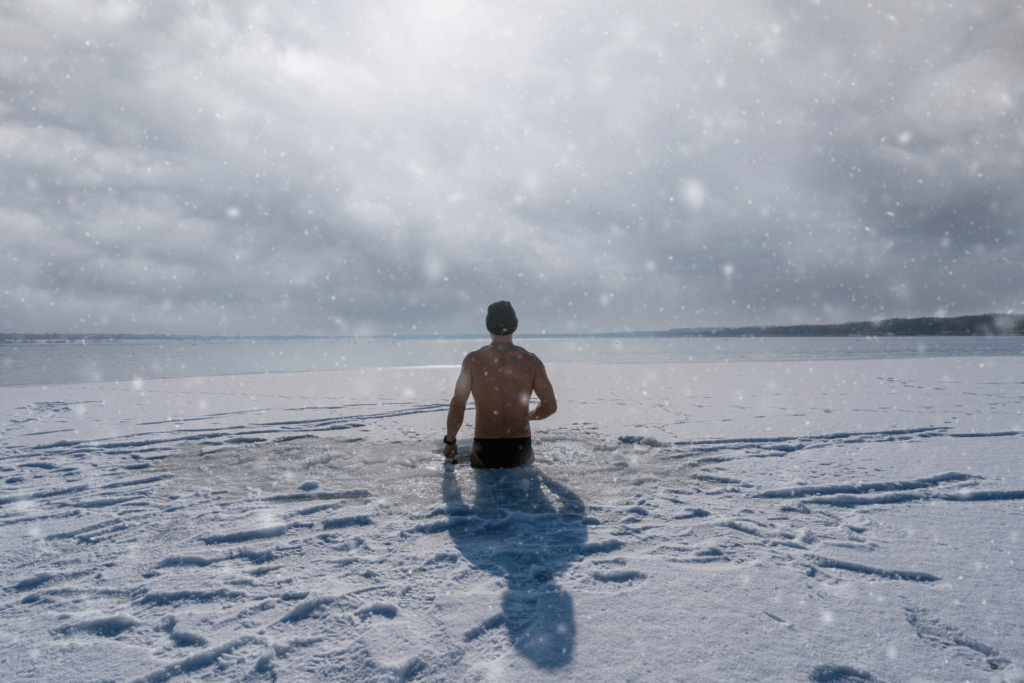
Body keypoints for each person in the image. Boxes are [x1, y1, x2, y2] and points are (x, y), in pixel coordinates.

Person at [443, 301, 557, 468]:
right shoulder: (532, 361)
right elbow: (550, 406)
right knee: (527, 460)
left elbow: (457, 404)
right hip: (520, 447)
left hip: (485, 448)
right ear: (515, 325)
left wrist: (450, 441)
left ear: (488, 326)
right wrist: (529, 416)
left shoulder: (473, 360)